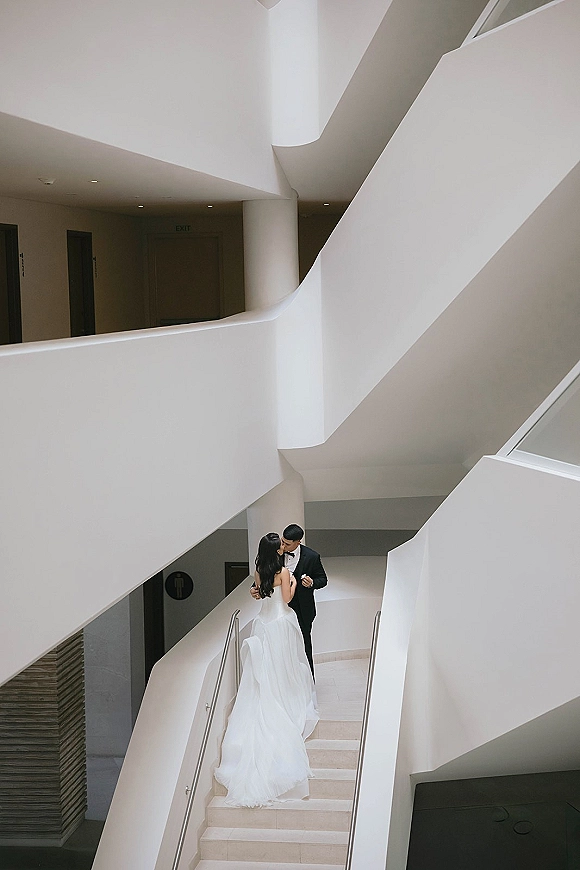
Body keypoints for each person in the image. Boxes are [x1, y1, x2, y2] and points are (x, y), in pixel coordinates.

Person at [215, 532, 318, 807]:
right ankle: (287, 700)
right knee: (287, 667)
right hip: (282, 623)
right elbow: (286, 600)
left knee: (267, 670)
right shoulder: (284, 572)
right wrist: (293, 583)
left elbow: (260, 596)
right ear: (277, 551)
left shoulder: (259, 571)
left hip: (263, 624)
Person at [252, 523, 327, 676]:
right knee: (279, 648)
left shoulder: (312, 557)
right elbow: (264, 574)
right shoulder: (276, 552)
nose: (283, 546)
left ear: (298, 542)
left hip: (302, 609)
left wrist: (312, 583)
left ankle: (307, 682)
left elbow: (323, 579)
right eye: (282, 541)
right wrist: (254, 588)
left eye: (287, 543)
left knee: (303, 645)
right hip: (278, 611)